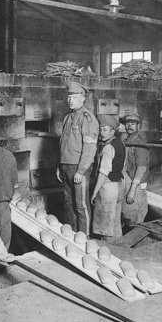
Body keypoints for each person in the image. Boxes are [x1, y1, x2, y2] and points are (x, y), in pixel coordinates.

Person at [58, 81, 99, 234]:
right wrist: (59, 166)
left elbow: (89, 149)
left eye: (74, 97)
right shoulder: (68, 118)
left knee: (81, 205)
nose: (70, 100)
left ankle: (85, 236)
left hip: (78, 168)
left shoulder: (87, 119)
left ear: (83, 98)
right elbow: (63, 144)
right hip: (66, 166)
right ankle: (73, 234)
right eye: (69, 97)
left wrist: (81, 171)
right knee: (68, 203)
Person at [90, 115, 125, 240]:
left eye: (105, 130)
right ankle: (118, 250)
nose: (101, 133)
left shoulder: (108, 147)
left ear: (112, 131)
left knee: (106, 226)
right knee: (115, 222)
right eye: (100, 130)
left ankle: (108, 251)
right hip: (118, 185)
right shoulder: (120, 144)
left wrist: (94, 192)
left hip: (108, 188)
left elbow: (103, 173)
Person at [121, 112, 150, 226]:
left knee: (137, 214)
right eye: (127, 124)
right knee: (127, 213)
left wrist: (132, 191)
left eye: (133, 124)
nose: (129, 126)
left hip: (136, 183)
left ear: (138, 126)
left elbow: (141, 168)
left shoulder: (140, 143)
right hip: (126, 180)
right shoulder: (125, 141)